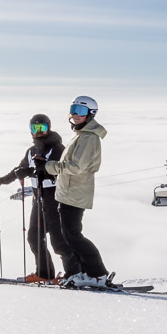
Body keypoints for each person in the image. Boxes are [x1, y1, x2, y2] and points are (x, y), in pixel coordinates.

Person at [45, 94, 112, 288]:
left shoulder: (89, 138)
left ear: (91, 114)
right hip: (68, 191)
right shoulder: (81, 135)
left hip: (76, 192)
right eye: (73, 109)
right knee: (69, 235)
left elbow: (75, 167)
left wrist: (49, 167)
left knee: (73, 235)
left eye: (80, 111)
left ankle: (98, 274)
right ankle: (86, 273)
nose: (75, 115)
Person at [0, 114, 65, 282]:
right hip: (38, 199)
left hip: (55, 199)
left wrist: (31, 172)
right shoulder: (32, 151)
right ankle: (44, 274)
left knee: (59, 241)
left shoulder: (58, 149)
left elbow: (59, 171)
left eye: (42, 128)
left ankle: (75, 274)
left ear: (49, 128)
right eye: (35, 128)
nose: (38, 132)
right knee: (34, 238)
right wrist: (2, 180)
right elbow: (20, 169)